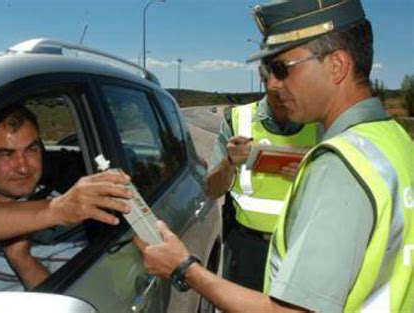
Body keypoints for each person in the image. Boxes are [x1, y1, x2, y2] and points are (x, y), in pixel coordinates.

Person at [134, 1, 414, 312]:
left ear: (337, 65)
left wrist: (183, 267)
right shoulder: (394, 139)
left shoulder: (339, 163)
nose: (271, 84)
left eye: (282, 69)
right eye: (267, 72)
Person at [0, 106, 132, 302]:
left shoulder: (66, 224)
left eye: (32, 149)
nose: (23, 167)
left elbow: (67, 302)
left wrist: (24, 261)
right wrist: (53, 210)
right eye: (6, 154)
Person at [206, 79, 318, 291]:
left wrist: (313, 172)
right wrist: (229, 162)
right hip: (246, 250)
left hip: (302, 249)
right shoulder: (237, 119)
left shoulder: (322, 122)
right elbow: (211, 190)